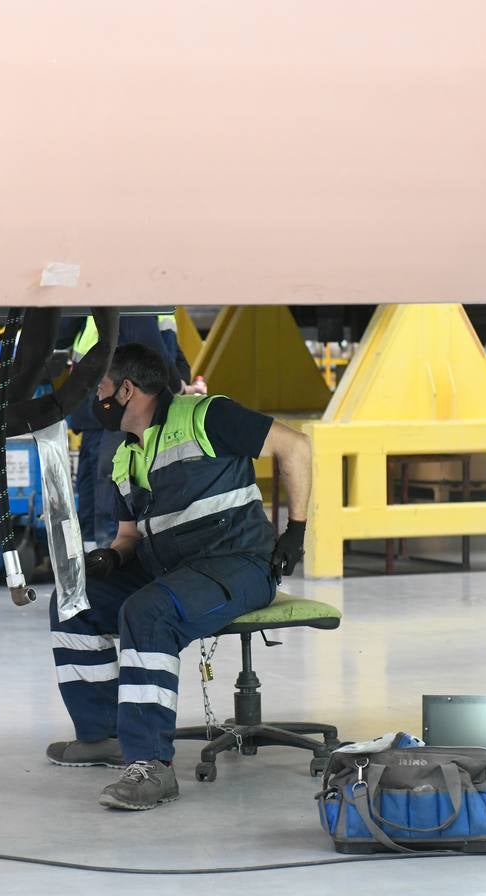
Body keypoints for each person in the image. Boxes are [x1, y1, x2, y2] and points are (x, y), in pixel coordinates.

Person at [45, 343, 312, 810]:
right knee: (75, 599)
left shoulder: (205, 416)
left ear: (126, 391)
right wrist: (107, 559)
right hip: (172, 568)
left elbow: (296, 446)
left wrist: (296, 532)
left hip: (239, 562)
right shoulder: (125, 456)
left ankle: (152, 766)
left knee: (148, 613)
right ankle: (101, 734)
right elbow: (129, 536)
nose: (95, 399)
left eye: (100, 388)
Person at [59, 314, 199, 550]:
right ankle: (105, 551)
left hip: (95, 404)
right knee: (111, 479)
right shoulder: (138, 300)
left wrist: (182, 382)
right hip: (116, 405)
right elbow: (155, 352)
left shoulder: (102, 300)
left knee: (95, 482)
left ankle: (93, 553)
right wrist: (180, 387)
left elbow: (169, 352)